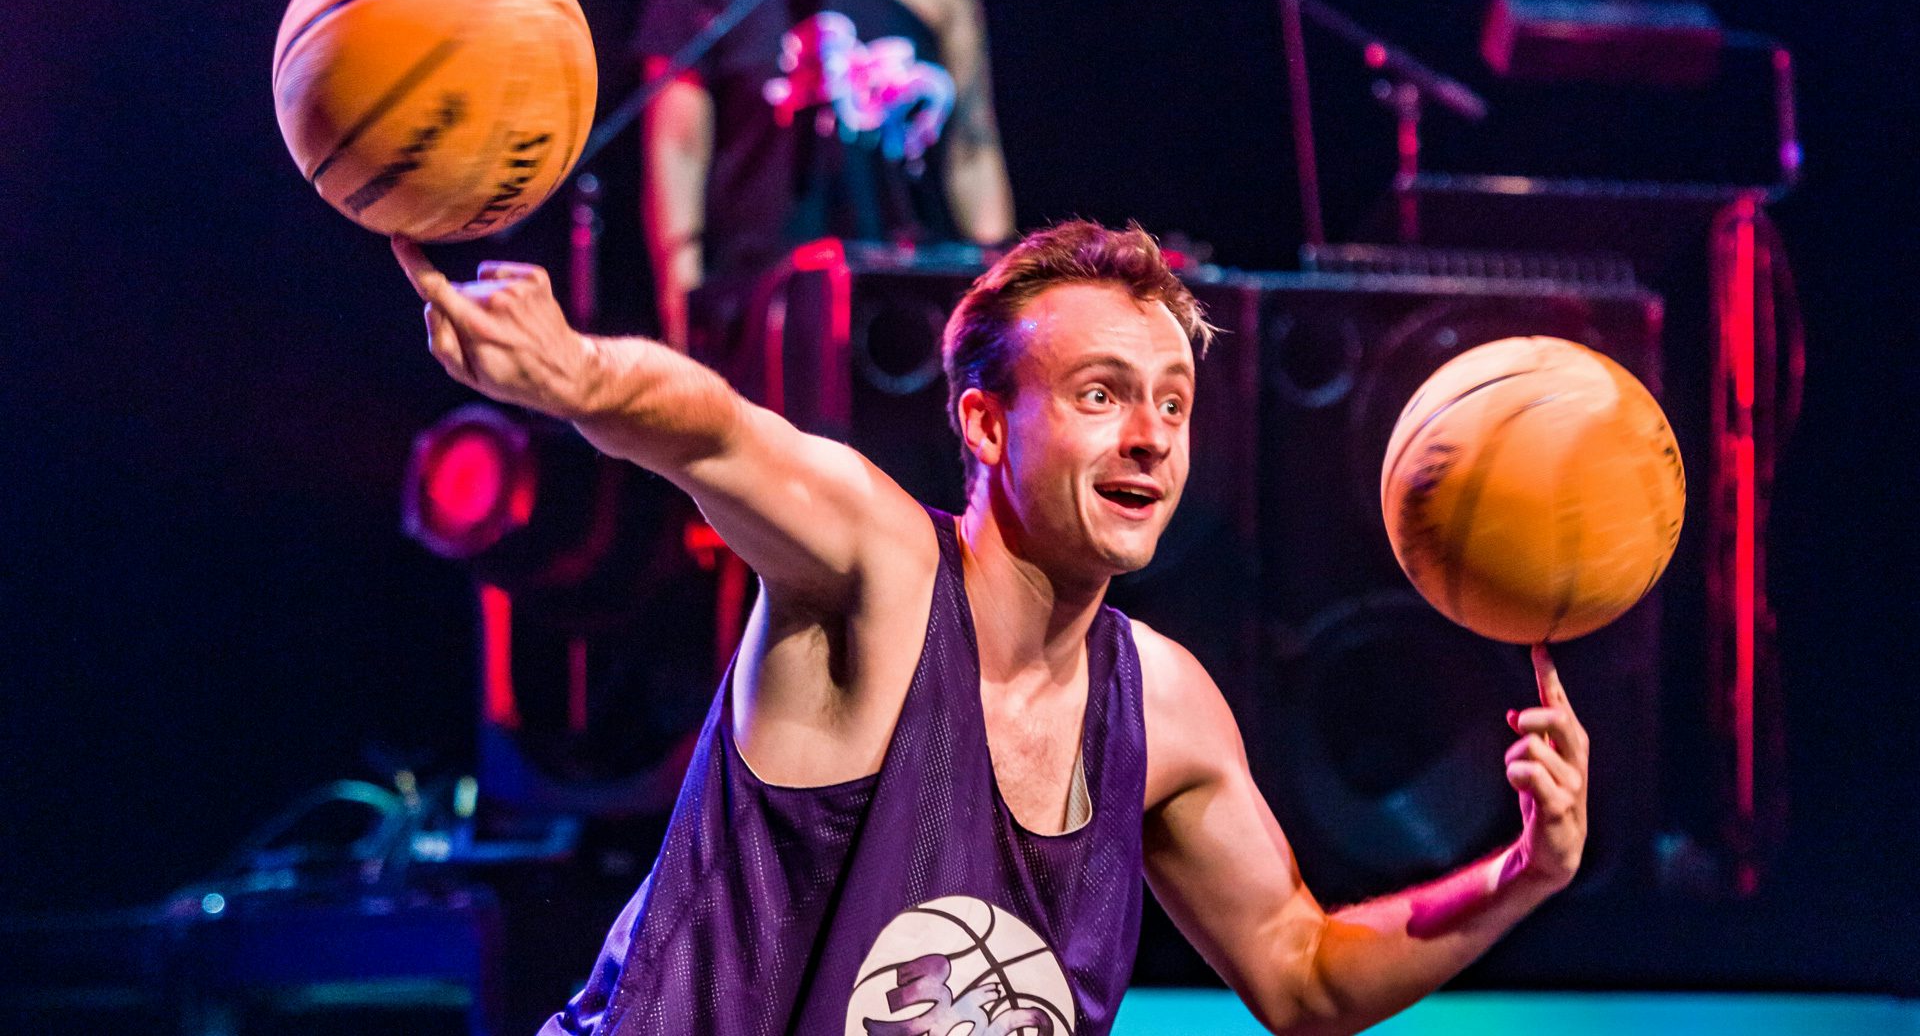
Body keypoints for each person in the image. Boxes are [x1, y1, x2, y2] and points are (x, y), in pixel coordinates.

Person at [392, 220, 1589, 1036]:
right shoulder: (878, 573)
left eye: (1172, 403)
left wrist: (1523, 874)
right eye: (1101, 394)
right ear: (983, 424)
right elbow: (718, 433)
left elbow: (1304, 975)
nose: (1152, 438)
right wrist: (572, 375)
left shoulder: (1162, 709)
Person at [636, 0, 1014, 354]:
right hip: (759, 315)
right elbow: (678, 150)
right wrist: (681, 315)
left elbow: (972, 150)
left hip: (911, 313)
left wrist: (1004, 309)